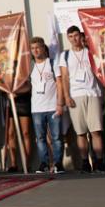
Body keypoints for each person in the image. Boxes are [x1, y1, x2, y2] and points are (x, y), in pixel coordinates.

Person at [59, 26, 104, 172]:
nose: (74, 39)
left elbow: (101, 70)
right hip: (75, 95)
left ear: (81, 36)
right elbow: (64, 77)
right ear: (68, 38)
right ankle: (85, 162)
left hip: (92, 93)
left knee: (96, 131)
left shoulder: (90, 52)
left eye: (76, 35)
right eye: (71, 36)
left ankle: (99, 161)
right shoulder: (65, 55)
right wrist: (67, 96)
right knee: (81, 132)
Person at [29, 37, 63, 174]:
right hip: (37, 108)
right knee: (40, 138)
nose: (35, 50)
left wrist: (60, 103)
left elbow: (59, 83)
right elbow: (26, 85)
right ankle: (44, 163)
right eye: (33, 48)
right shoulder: (30, 66)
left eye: (38, 47)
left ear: (43, 48)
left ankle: (58, 163)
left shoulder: (52, 63)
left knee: (56, 137)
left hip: (53, 106)